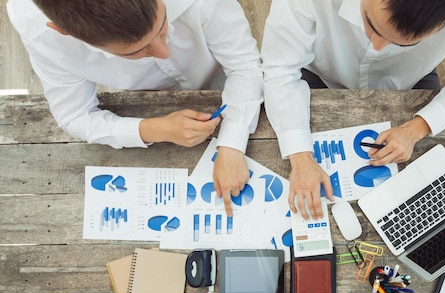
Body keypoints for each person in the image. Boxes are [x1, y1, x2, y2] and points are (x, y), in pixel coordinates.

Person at [261, 0, 445, 219]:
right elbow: (280, 69)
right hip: (321, 70)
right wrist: (300, 157)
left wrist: (418, 127)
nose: (378, 46)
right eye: (370, 23)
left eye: (401, 43)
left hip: (410, 80)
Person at [7, 0, 264, 216]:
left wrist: (231, 143)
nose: (163, 51)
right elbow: (74, 115)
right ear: (64, 31)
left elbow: (245, 66)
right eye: (136, 52)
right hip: (149, 100)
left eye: (163, 26)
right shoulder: (36, 28)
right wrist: (154, 129)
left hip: (220, 70)